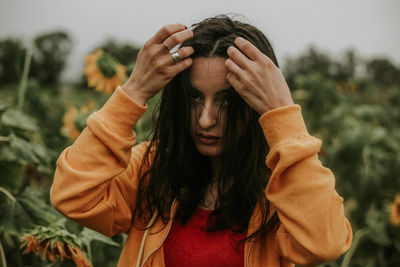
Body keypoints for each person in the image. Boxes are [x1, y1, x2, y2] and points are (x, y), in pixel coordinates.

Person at [50, 15, 352, 267]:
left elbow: (323, 244)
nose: (206, 119)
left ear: (253, 102)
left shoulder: (282, 189)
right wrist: (133, 92)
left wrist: (282, 115)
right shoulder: (151, 170)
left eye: (226, 101)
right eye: (194, 97)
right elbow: (73, 196)